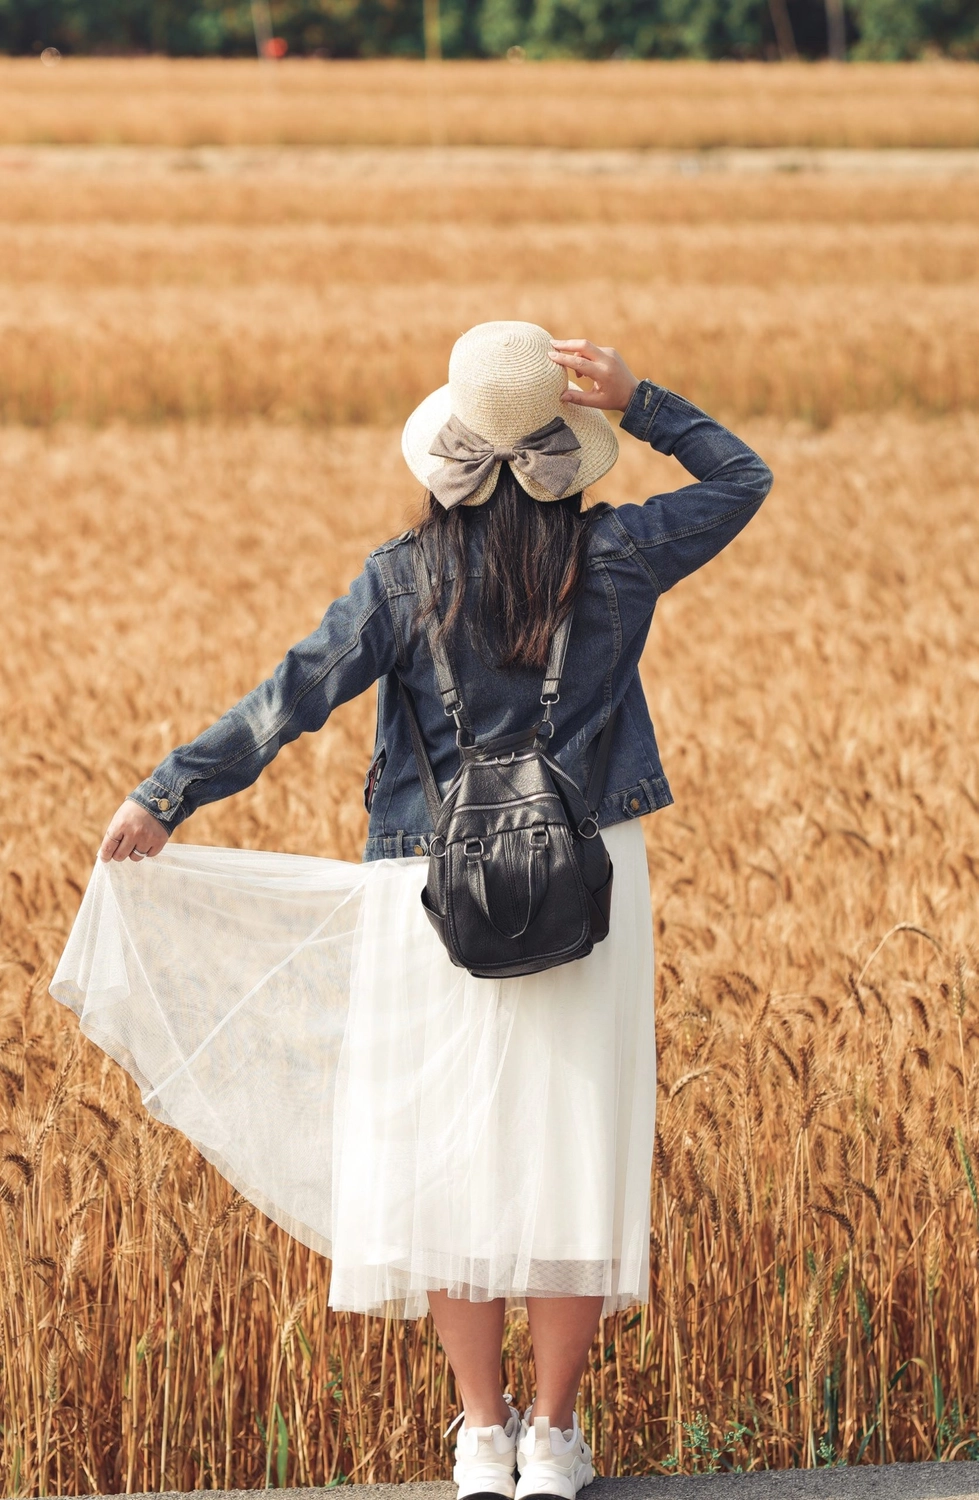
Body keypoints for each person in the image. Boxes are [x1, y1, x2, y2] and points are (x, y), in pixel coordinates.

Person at [52, 323, 771, 1500]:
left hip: (426, 894)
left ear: (448, 453)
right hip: (588, 884)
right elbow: (744, 478)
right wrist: (642, 399)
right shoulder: (623, 554)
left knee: (451, 1160)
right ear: (564, 453)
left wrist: (166, 794)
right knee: (566, 1150)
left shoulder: (402, 576)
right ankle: (553, 1436)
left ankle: (480, 1440)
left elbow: (291, 696)